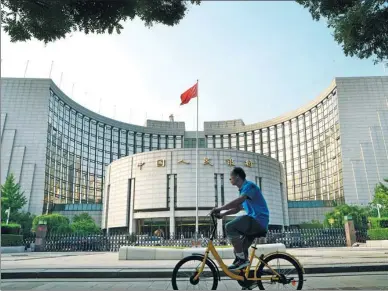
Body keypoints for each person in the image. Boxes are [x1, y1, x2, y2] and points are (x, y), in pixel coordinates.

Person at [211, 167, 269, 270]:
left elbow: (239, 201)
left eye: (230, 178)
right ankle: (246, 278)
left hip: (258, 221)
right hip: (254, 222)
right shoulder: (243, 190)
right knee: (239, 249)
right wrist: (222, 214)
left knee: (229, 226)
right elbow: (238, 208)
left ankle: (242, 260)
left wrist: (220, 208)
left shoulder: (249, 186)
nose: (230, 180)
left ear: (237, 177)